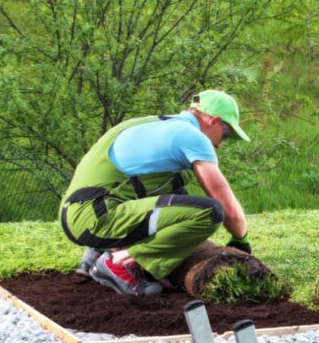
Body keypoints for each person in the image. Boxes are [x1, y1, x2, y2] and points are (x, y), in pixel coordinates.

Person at [59, 90, 253, 295]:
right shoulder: (192, 136)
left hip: (79, 213)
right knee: (210, 212)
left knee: (179, 192)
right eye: (227, 134)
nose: (220, 144)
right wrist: (241, 240)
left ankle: (97, 252)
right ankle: (119, 263)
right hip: (97, 218)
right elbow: (228, 209)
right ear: (214, 120)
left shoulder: (148, 124)